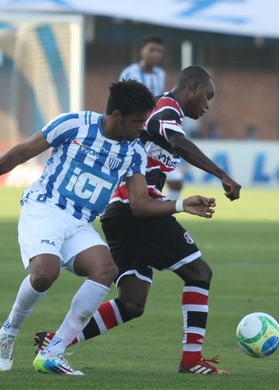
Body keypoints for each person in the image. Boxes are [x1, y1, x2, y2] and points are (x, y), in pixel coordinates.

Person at [0, 80, 217, 376]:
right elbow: (21, 152)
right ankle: (9, 332)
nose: (143, 128)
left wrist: (181, 205)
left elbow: (139, 205)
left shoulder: (134, 153)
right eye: (138, 121)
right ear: (116, 116)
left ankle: (53, 352)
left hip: (79, 222)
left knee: (105, 269)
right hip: (45, 207)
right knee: (45, 273)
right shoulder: (74, 124)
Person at [35, 66, 242, 375]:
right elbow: (178, 143)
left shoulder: (162, 113)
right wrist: (222, 174)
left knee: (132, 302)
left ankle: (55, 343)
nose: (208, 105)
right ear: (193, 87)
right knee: (199, 273)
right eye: (207, 97)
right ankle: (191, 360)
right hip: (136, 210)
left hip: (118, 213)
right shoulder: (164, 109)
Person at [119, 35, 184, 200]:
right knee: (131, 180)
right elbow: (119, 101)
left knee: (175, 181)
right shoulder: (129, 72)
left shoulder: (160, 74)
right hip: (135, 133)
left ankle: (162, 209)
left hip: (154, 133)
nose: (155, 54)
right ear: (142, 51)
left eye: (159, 51)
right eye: (152, 50)